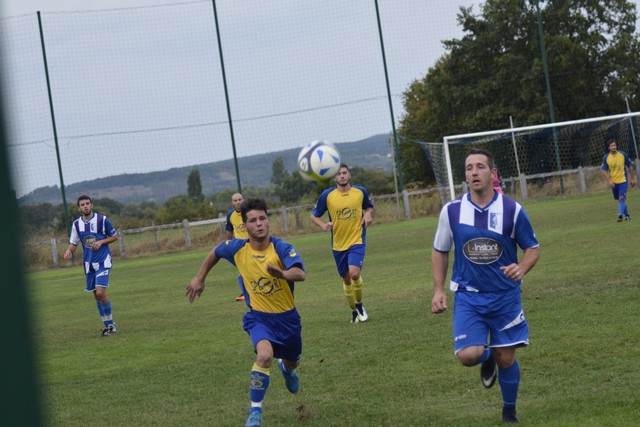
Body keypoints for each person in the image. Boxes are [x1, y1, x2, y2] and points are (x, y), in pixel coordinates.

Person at [431, 149, 540, 424]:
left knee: (507, 357)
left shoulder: (512, 210)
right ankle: (486, 356)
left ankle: (509, 411)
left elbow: (532, 248)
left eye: (480, 167)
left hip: (505, 295)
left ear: (493, 173)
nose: (474, 172)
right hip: (469, 296)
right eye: (469, 168)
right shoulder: (452, 211)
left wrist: (521, 267)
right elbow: (440, 250)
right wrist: (439, 290)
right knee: (469, 356)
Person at [186, 198, 306, 427]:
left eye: (262, 218)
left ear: (268, 221)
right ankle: (255, 412)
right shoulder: (238, 249)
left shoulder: (281, 248)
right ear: (245, 225)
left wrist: (282, 274)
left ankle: (286, 369)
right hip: (259, 317)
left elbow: (300, 274)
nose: (259, 223)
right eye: (253, 220)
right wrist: (199, 278)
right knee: (264, 356)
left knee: (292, 361)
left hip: (288, 318)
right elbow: (216, 251)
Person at [311, 163, 374, 324]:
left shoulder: (360, 192)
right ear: (335, 178)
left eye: (344, 173)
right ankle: (353, 311)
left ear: (349, 175)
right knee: (346, 279)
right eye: (339, 174)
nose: (342, 176)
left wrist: (368, 214)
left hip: (357, 239)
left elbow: (368, 207)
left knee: (354, 274)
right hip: (338, 244)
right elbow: (314, 215)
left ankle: (359, 305)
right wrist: (323, 225)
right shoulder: (327, 195)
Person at [63, 195, 119, 337]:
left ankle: (112, 326)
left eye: (87, 203)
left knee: (100, 293)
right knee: (97, 296)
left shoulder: (102, 220)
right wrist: (69, 250)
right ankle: (108, 326)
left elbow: (114, 236)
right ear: (79, 208)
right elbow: (74, 243)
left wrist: (101, 242)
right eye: (82, 204)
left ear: (92, 205)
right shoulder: (76, 224)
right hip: (89, 264)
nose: (85, 206)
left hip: (102, 261)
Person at [601, 139, 636, 222]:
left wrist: (632, 178)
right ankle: (627, 215)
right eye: (612, 146)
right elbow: (604, 171)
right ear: (609, 147)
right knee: (620, 199)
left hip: (623, 180)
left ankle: (620, 215)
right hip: (614, 182)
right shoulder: (606, 157)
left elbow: (630, 166)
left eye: (615, 145)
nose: (614, 147)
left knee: (622, 197)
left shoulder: (623, 154)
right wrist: (609, 181)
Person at [225, 192, 249, 301]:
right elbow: (229, 231)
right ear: (232, 203)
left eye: (240, 199)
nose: (238, 202)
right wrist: (229, 244)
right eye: (235, 200)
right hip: (238, 246)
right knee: (242, 269)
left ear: (243, 200)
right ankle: (245, 293)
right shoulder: (230, 215)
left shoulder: (249, 212)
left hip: (251, 244)